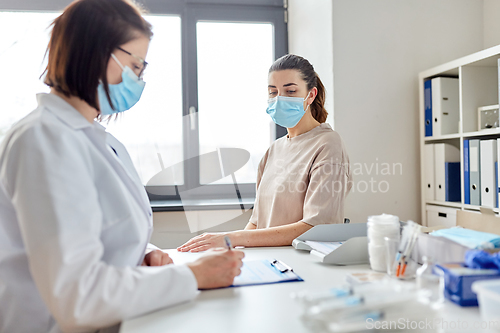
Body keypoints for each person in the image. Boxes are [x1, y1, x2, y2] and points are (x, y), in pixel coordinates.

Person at [0, 1, 244, 332]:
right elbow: (78, 296)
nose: (138, 79)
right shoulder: (43, 140)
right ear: (93, 52)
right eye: (133, 66)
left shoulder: (99, 141)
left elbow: (92, 235)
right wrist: (193, 275)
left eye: (142, 69)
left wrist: (143, 252)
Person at [178, 54, 352, 253]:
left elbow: (317, 227)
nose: (279, 99)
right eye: (273, 92)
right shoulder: (274, 150)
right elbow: (257, 222)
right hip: (270, 263)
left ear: (311, 95)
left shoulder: (328, 144)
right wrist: (231, 252)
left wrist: (230, 238)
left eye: (290, 91)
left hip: (301, 265)